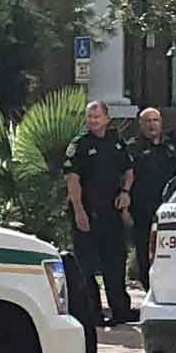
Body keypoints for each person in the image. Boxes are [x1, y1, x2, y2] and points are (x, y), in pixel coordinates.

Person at [63, 100, 135, 326]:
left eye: (97, 116)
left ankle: (120, 310)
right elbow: (72, 180)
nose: (93, 121)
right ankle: (92, 313)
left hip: (111, 213)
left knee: (115, 262)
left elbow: (128, 170)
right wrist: (79, 211)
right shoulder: (80, 144)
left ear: (107, 118)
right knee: (87, 266)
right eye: (90, 117)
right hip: (87, 212)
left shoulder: (116, 143)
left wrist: (125, 192)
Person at [127, 108, 176, 290]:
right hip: (143, 209)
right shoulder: (133, 148)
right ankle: (149, 288)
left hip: (171, 209)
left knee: (175, 248)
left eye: (155, 120)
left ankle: (174, 287)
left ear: (161, 122)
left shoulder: (174, 146)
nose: (152, 125)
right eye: (147, 121)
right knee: (144, 250)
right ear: (140, 124)